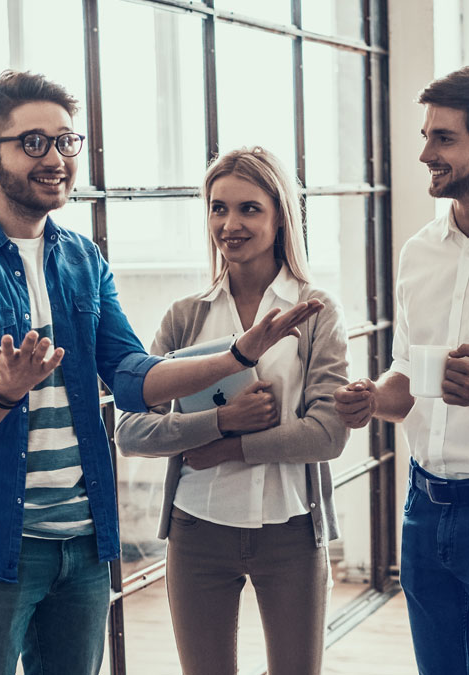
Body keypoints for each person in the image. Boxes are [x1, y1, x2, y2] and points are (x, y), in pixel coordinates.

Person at [0, 71, 323, 675]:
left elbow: (129, 375)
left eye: (66, 141)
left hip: (83, 541)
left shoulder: (80, 258)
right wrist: (4, 390)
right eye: (33, 142)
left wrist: (236, 355)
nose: (56, 158)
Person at [115, 146, 350, 675]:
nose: (230, 223)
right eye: (218, 208)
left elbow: (328, 434)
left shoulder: (314, 311)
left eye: (249, 208)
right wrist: (220, 419)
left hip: (291, 530)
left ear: (279, 215)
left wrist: (228, 446)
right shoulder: (185, 317)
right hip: (197, 530)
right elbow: (131, 432)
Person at [334, 66, 469, 674]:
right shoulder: (417, 253)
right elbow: (407, 380)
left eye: (443, 138)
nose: (424, 154)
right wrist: (371, 398)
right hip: (425, 509)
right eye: (426, 136)